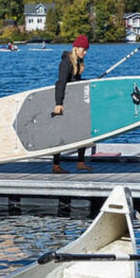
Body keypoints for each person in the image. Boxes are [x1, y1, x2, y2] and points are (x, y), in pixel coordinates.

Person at [52, 34, 91, 174]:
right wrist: (58, 103)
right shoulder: (66, 63)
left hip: (75, 101)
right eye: (84, 50)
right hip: (64, 101)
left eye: (86, 50)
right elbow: (61, 83)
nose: (85, 52)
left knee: (83, 130)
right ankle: (56, 165)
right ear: (76, 48)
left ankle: (80, 162)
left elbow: (75, 81)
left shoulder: (78, 62)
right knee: (61, 132)